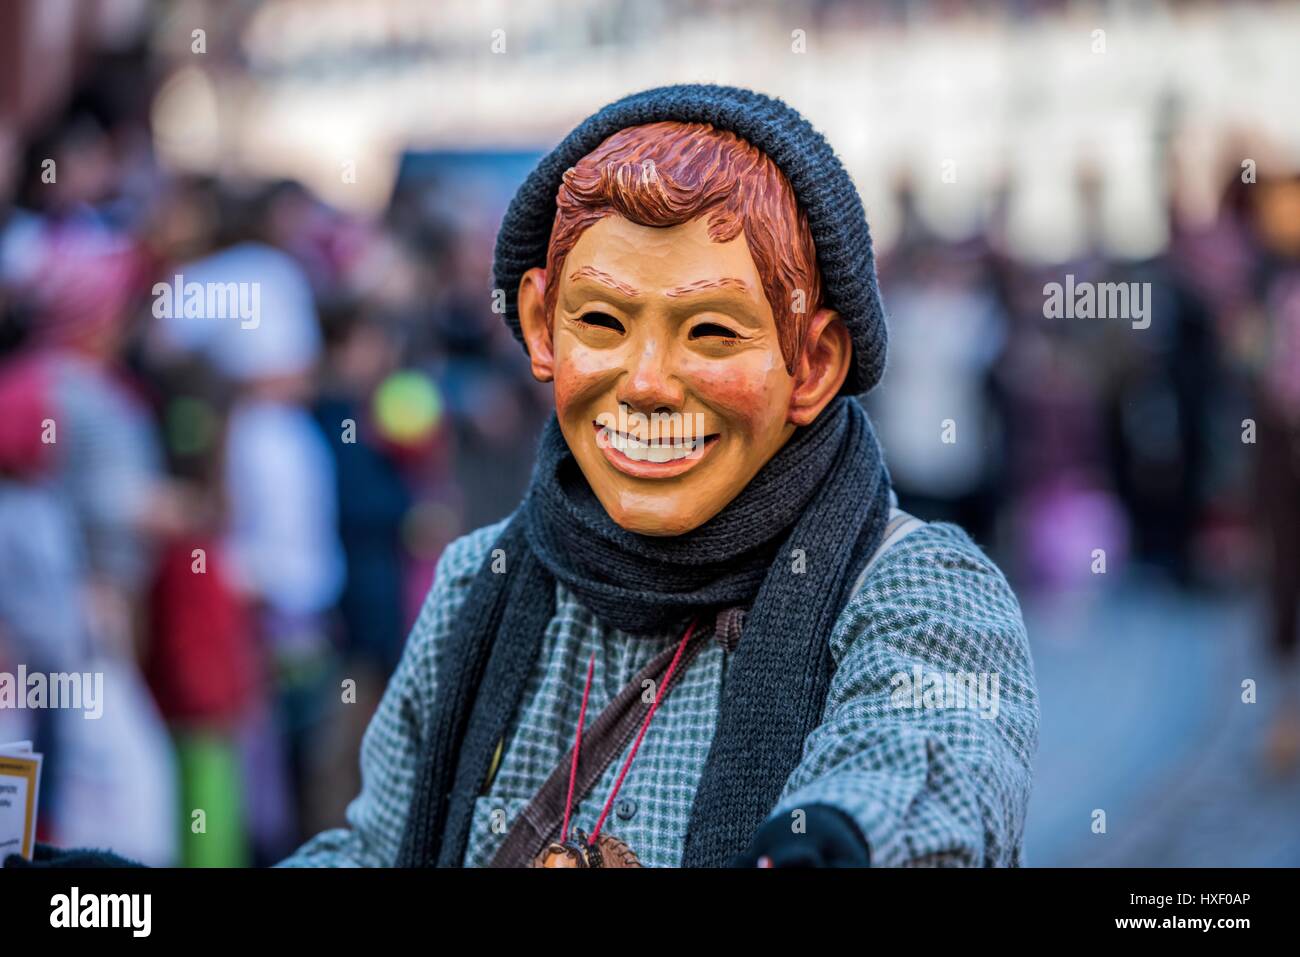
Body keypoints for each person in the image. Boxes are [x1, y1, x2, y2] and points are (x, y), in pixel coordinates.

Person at [280, 86, 1038, 869]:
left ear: (812, 364)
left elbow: (926, 755)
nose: (645, 382)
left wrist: (836, 836)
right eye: (602, 322)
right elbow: (378, 850)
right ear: (543, 328)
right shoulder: (479, 582)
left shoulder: (916, 590)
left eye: (710, 332)